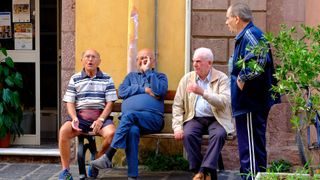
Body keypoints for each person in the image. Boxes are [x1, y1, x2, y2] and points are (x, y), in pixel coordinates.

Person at [91, 48, 168, 180]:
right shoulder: (130, 77)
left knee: (129, 115)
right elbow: (121, 91)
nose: (144, 60)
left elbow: (159, 91)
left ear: (153, 62)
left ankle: (109, 156)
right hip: (132, 121)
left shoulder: (160, 76)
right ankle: (132, 176)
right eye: (141, 58)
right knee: (132, 131)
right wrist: (144, 89)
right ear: (137, 61)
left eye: (147, 58)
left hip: (153, 119)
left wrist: (149, 72)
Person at [226, 3, 280, 179]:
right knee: (251, 145)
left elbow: (261, 56)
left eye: (228, 18)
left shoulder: (250, 34)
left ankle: (251, 177)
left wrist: (243, 77)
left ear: (237, 18)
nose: (226, 22)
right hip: (248, 102)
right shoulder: (246, 35)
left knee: (250, 148)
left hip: (250, 102)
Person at [172, 47, 234, 180]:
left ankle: (201, 171)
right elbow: (178, 105)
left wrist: (202, 92)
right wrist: (177, 127)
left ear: (209, 63)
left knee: (219, 135)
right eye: (194, 61)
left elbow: (224, 102)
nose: (195, 64)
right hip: (194, 118)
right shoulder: (187, 79)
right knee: (188, 134)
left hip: (216, 118)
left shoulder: (221, 78)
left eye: (198, 61)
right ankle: (204, 173)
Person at [58, 49, 118, 180]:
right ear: (82, 60)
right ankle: (65, 171)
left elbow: (110, 103)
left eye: (93, 57)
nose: (90, 59)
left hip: (100, 117)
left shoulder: (107, 78)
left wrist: (101, 119)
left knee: (112, 134)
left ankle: (96, 161)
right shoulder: (75, 78)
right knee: (63, 131)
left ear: (99, 61)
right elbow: (70, 102)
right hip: (80, 117)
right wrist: (74, 118)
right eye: (87, 56)